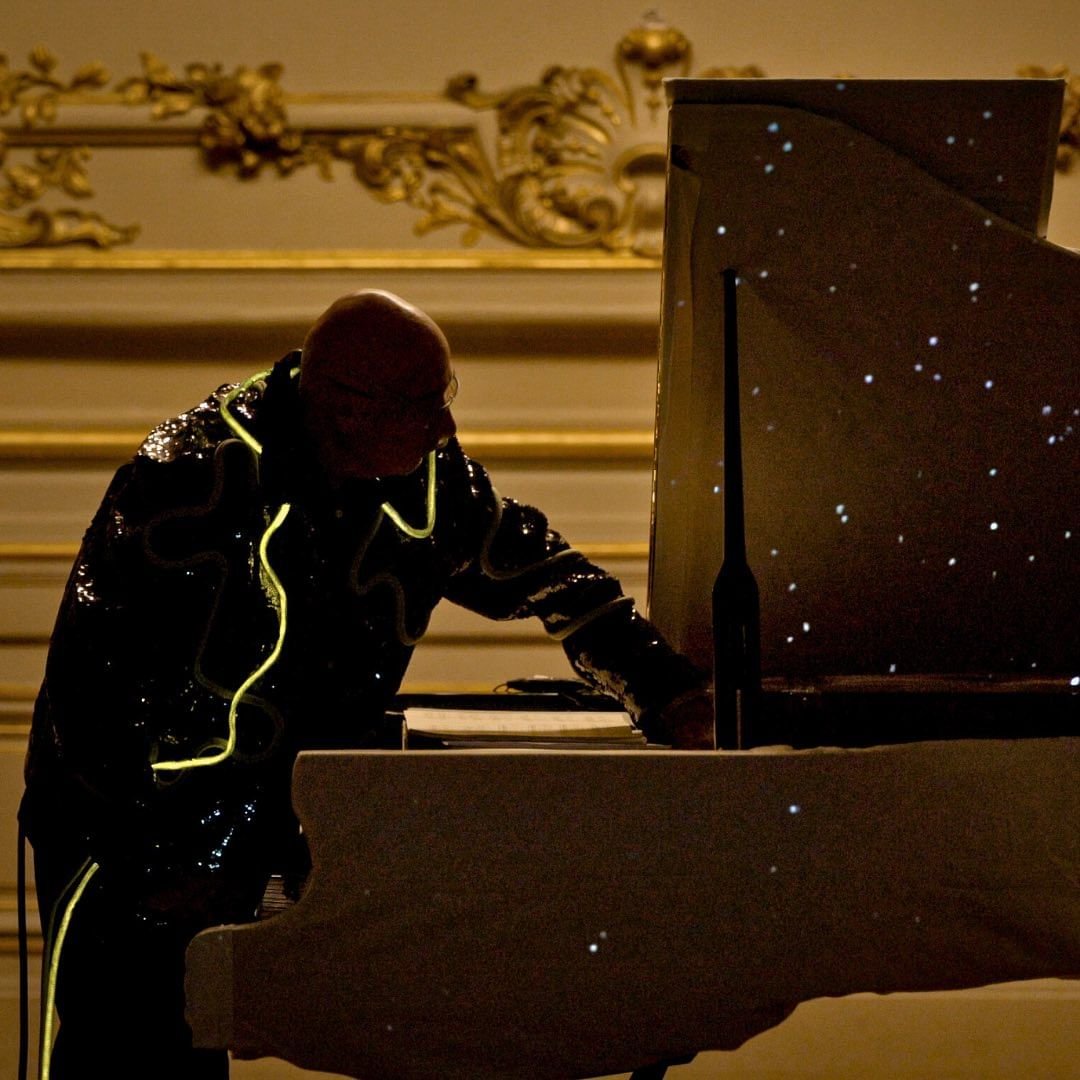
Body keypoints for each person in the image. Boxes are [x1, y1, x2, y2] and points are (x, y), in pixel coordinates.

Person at [20, 290, 712, 1078]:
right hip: (132, 830)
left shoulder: (428, 477)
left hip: (280, 805)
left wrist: (670, 691)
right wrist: (154, 858)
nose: (445, 427)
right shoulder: (193, 480)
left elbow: (552, 579)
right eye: (424, 405)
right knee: (130, 1045)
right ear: (344, 407)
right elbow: (100, 691)